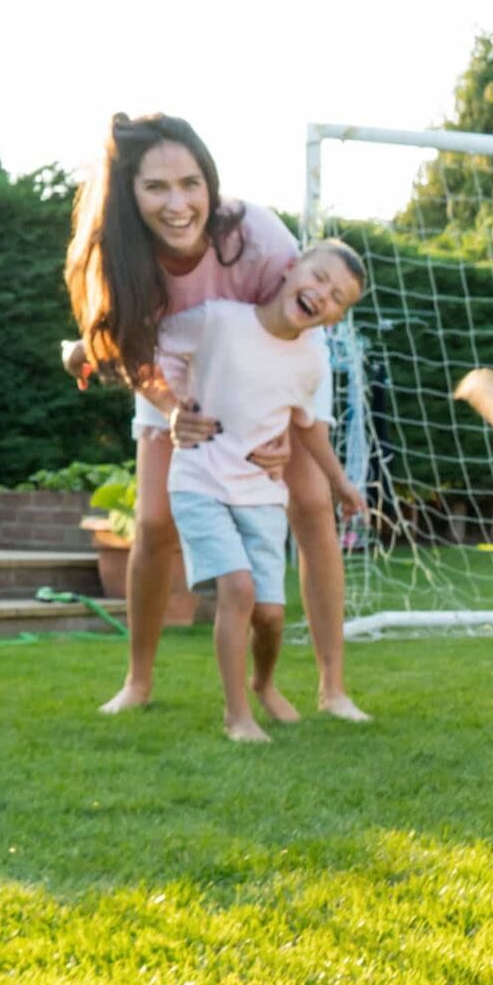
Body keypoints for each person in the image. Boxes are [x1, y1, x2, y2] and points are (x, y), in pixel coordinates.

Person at [63, 113, 369, 720]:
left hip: (278, 376)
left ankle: (333, 687)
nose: (178, 203)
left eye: (190, 183)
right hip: (175, 384)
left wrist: (277, 434)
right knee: (152, 522)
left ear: (209, 181)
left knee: (309, 503)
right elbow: (129, 354)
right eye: (156, 187)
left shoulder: (257, 237)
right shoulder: (115, 257)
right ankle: (138, 680)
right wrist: (174, 410)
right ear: (130, 193)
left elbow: (288, 331)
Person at [151, 242, 369, 741]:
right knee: (239, 590)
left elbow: (308, 427)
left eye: (337, 297)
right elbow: (152, 343)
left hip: (261, 494)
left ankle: (264, 684)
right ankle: (237, 716)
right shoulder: (219, 322)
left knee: (271, 614)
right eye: (318, 278)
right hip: (200, 482)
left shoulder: (310, 366)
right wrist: (172, 401)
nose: (321, 295)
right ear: (291, 268)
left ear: (335, 318)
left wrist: (340, 484)